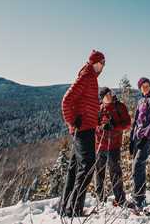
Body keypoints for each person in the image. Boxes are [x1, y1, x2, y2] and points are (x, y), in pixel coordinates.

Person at [60, 50, 105, 217]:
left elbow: (85, 103)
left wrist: (97, 118)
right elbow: (66, 100)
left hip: (87, 127)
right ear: (94, 62)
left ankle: (66, 207)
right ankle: (74, 208)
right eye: (100, 63)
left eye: (103, 64)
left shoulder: (91, 77)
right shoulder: (87, 76)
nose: (102, 67)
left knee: (75, 168)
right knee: (87, 166)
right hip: (82, 130)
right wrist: (72, 121)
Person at [127, 77, 150, 210]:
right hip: (138, 137)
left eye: (147, 84)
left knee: (138, 164)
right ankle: (137, 195)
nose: (146, 87)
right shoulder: (141, 100)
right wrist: (132, 139)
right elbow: (136, 122)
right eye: (143, 85)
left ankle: (139, 199)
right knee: (135, 167)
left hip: (147, 137)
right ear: (140, 87)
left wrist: (146, 137)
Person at [94, 87, 130, 206]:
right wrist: (101, 128)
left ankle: (120, 199)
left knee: (115, 172)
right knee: (99, 173)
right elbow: (94, 126)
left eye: (110, 93)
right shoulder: (99, 109)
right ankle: (100, 198)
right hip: (100, 146)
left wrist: (114, 126)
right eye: (106, 95)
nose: (109, 96)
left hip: (114, 146)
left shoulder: (119, 107)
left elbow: (127, 123)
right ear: (102, 98)